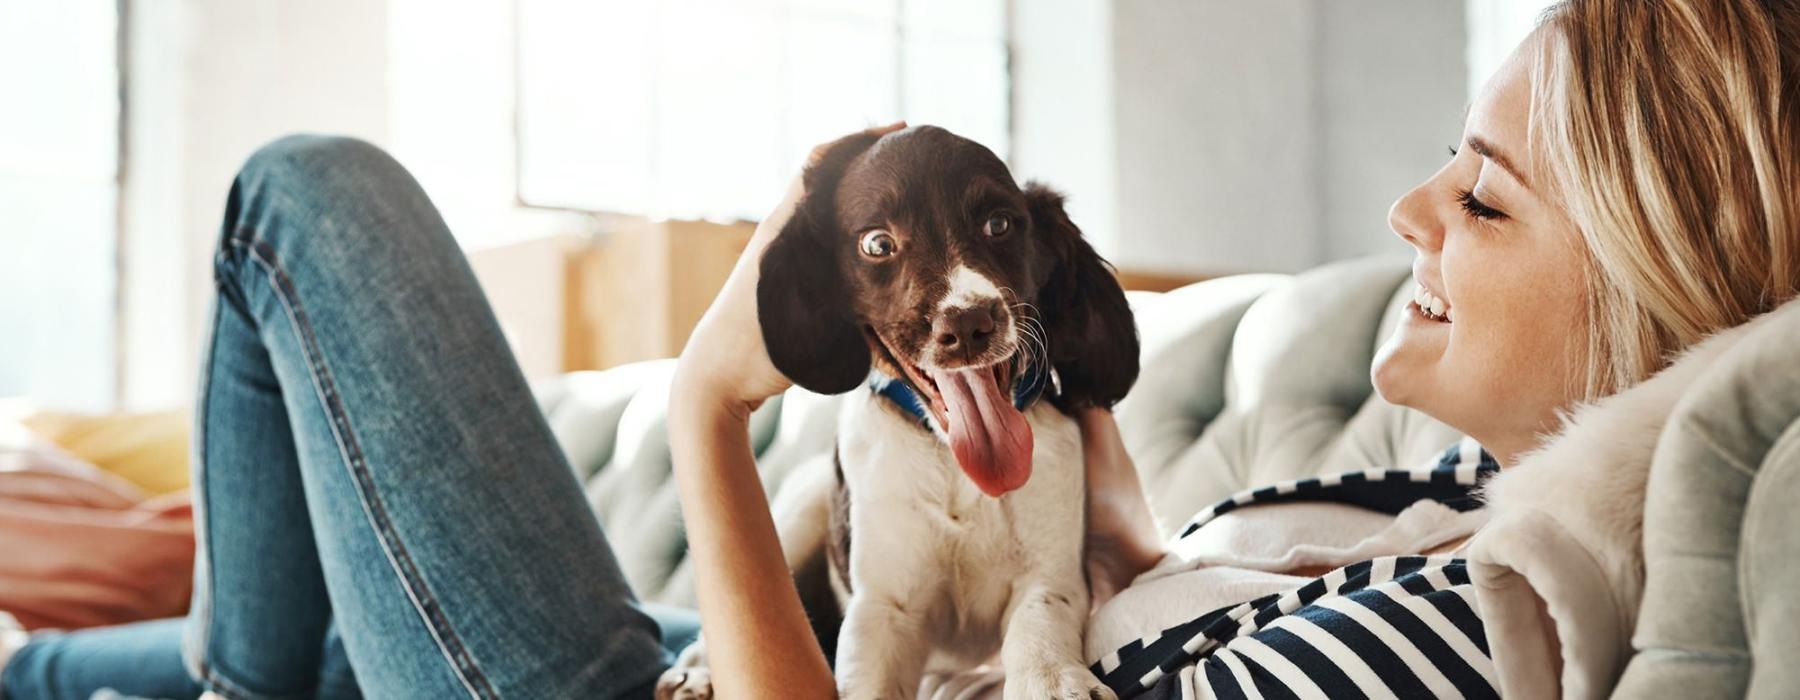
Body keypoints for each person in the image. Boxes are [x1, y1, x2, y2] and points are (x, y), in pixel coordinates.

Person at [2, 0, 1795, 697]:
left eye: (1483, 204)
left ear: (1651, 287)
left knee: (300, 197)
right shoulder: (1417, 504)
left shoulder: (1458, 629)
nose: (1409, 214)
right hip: (733, 650)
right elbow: (1115, 588)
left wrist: (712, 409)